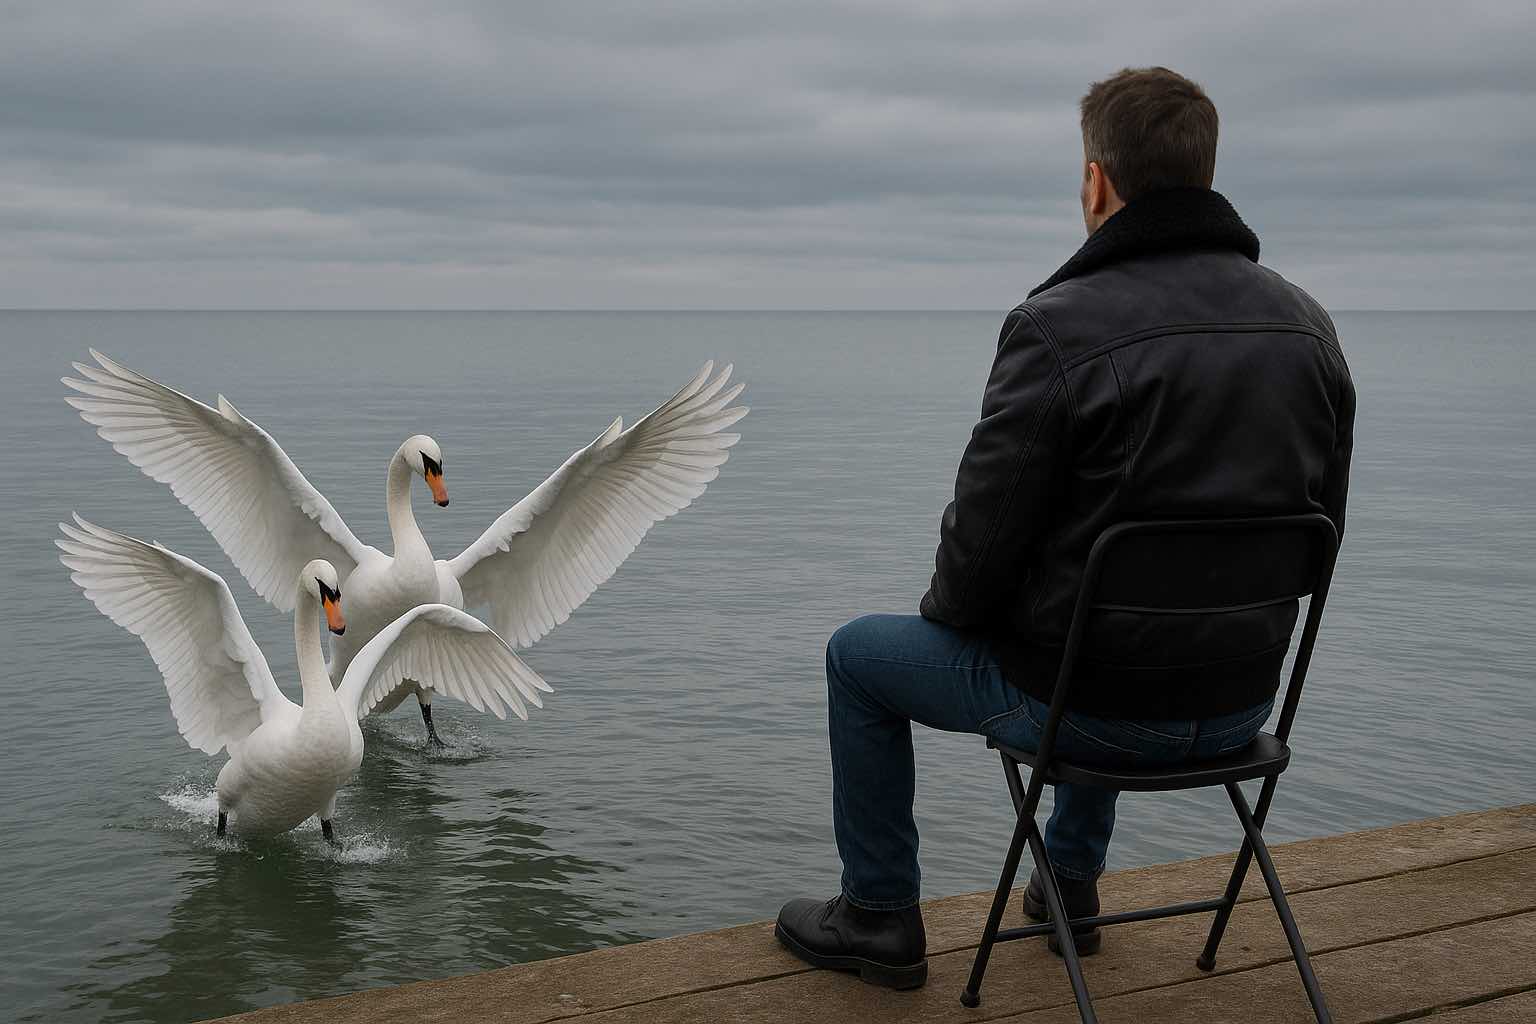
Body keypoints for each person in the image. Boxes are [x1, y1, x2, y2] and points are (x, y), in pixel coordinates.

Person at [774, 66, 1357, 991]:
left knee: (859, 657)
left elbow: (979, 551)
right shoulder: (1309, 328)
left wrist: (957, 614)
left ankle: (879, 915)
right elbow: (1322, 536)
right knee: (1112, 617)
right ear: (1205, 176)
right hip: (1246, 705)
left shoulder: (1058, 328)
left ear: (1096, 182)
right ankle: (1070, 886)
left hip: (1095, 715)